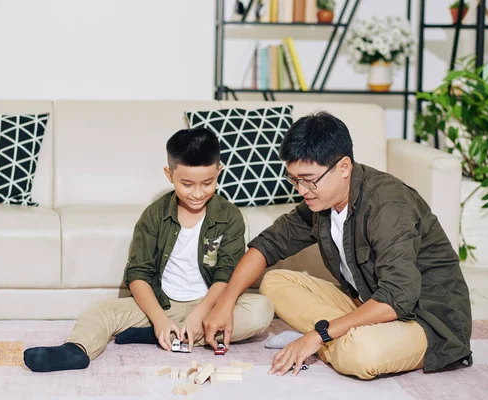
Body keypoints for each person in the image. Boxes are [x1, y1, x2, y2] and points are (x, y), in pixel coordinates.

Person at [202, 111, 472, 380]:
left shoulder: (388, 205)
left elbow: (396, 298)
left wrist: (317, 335)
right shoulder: (321, 202)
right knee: (274, 282)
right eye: (294, 180)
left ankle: (333, 340)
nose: (302, 190)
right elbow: (268, 245)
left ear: (343, 167)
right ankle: (340, 336)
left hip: (424, 321)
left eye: (309, 180)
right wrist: (225, 302)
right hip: (367, 304)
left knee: (361, 354)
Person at [23, 128, 274, 372]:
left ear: (219, 172)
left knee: (261, 311)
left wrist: (201, 313)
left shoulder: (229, 216)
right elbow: (138, 274)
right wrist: (159, 318)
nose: (198, 193)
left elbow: (225, 275)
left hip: (210, 304)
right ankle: (76, 349)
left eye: (208, 183)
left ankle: (162, 335)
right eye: (187, 184)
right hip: (162, 304)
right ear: (169, 174)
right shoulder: (154, 215)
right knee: (100, 311)